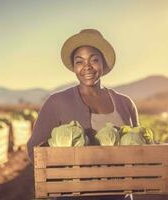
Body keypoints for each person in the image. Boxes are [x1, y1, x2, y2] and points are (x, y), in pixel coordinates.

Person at [27, 29, 140, 200]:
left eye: (94, 59)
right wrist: (63, 176)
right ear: (73, 67)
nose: (87, 66)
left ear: (104, 63)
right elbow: (33, 148)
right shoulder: (57, 102)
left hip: (120, 195)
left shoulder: (125, 103)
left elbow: (140, 150)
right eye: (79, 61)